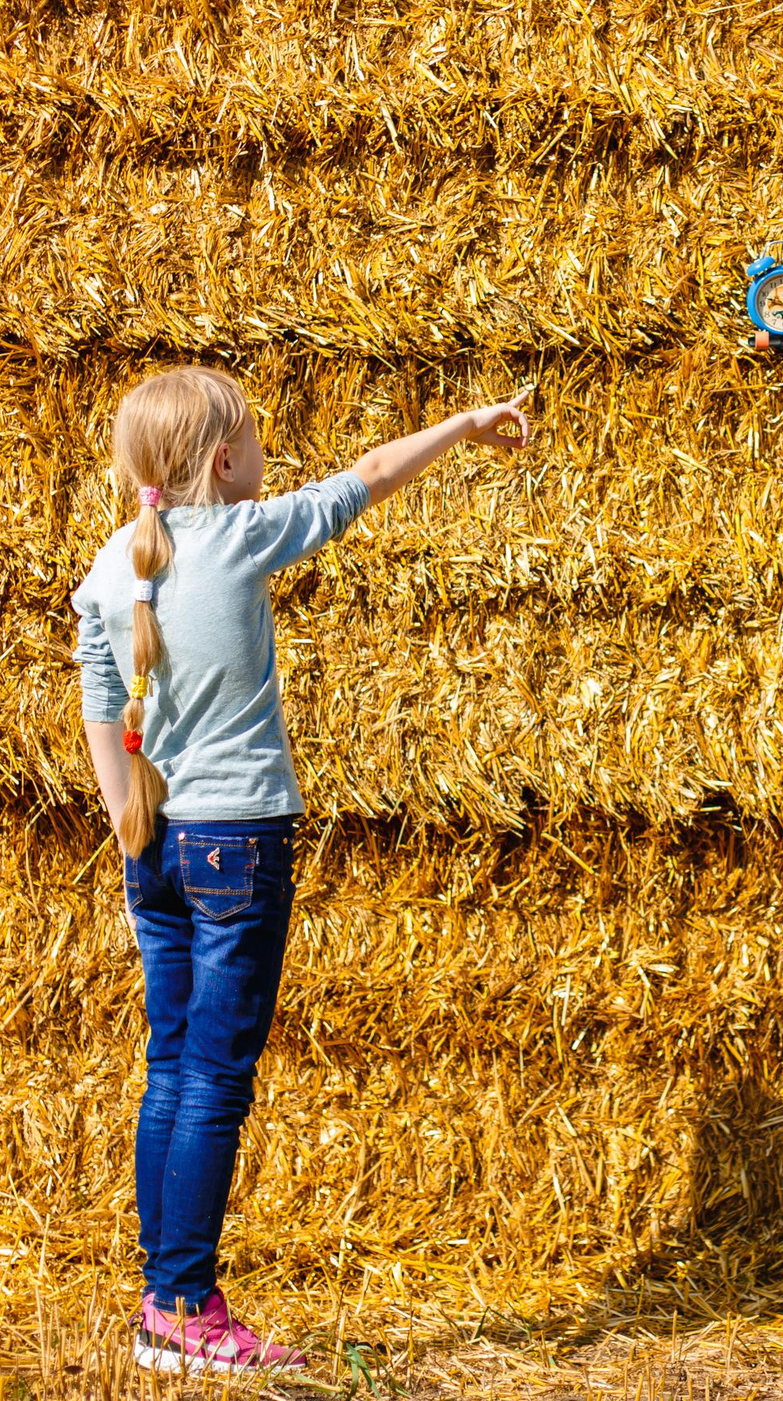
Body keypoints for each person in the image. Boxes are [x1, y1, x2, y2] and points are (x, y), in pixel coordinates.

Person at [73, 365, 531, 1376]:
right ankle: (184, 1305)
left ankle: (162, 1299)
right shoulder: (242, 535)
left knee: (170, 1067)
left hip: (152, 844)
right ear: (224, 459)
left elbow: (101, 699)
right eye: (254, 438)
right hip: (238, 842)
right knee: (212, 1083)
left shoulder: (112, 563)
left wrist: (123, 813)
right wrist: (460, 423)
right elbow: (365, 476)